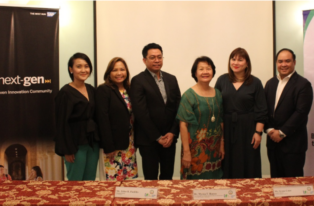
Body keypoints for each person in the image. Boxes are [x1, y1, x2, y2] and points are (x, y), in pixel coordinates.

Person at [130, 43, 181, 180]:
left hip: (169, 139)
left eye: (159, 57)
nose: (157, 60)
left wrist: (172, 132)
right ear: (144, 60)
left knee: (167, 177)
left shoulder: (171, 79)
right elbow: (141, 113)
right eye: (152, 57)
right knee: (151, 180)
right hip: (148, 140)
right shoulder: (138, 81)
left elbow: (178, 108)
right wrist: (158, 137)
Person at [215, 47, 268, 178]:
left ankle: (249, 194)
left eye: (240, 59)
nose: (236, 62)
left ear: (247, 63)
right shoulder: (222, 80)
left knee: (249, 161)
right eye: (233, 59)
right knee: (227, 161)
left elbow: (262, 110)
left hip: (248, 128)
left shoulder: (255, 82)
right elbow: (216, 106)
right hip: (226, 128)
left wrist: (258, 133)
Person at [264, 48, 313, 178]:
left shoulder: (303, 84)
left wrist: (281, 132)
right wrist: (269, 129)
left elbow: (301, 113)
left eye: (287, 61)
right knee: (275, 182)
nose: (283, 64)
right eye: (280, 61)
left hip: (293, 145)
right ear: (276, 63)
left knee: (293, 185)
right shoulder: (270, 83)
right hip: (273, 144)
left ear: (294, 62)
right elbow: (265, 109)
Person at [177, 56, 224, 179]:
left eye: (208, 68)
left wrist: (222, 145)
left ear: (213, 71)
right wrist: (186, 152)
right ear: (195, 73)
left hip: (214, 149)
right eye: (201, 69)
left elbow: (221, 121)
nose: (205, 72)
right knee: (193, 186)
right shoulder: (188, 96)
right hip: (194, 151)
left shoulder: (218, 94)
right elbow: (183, 125)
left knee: (214, 185)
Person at [54, 52, 100, 181]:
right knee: (75, 182)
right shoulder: (65, 93)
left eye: (86, 66)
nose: (84, 70)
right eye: (79, 66)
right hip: (74, 145)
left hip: (92, 143)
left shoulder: (92, 89)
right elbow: (61, 123)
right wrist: (67, 150)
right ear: (71, 69)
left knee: (90, 180)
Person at [96, 57, 138, 181]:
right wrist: (108, 146)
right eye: (115, 70)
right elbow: (102, 119)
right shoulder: (103, 90)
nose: (119, 73)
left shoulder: (130, 90)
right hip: (113, 146)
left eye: (122, 69)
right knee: (112, 183)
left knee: (129, 183)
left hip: (129, 144)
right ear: (109, 73)